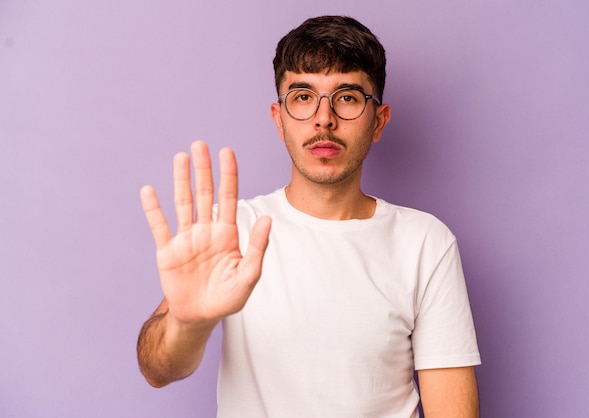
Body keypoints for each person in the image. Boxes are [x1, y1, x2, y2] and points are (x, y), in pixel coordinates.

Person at [137, 15, 481, 418]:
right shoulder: (232, 230)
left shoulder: (425, 243)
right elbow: (157, 369)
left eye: (348, 97)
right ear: (278, 118)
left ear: (379, 122)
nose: (324, 118)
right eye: (302, 96)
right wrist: (187, 324)